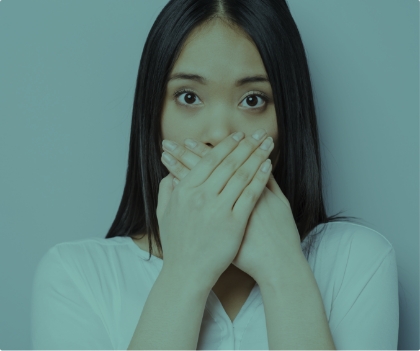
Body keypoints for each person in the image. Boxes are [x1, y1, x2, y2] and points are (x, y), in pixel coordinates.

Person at [31, 0, 399, 350]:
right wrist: (185, 273)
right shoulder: (76, 277)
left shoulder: (355, 261)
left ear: (287, 119)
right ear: (154, 118)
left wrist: (284, 270)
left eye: (253, 99)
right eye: (189, 97)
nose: (219, 134)